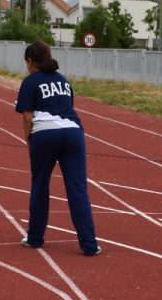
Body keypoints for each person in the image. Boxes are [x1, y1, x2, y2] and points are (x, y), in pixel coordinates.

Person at [13, 40, 100, 255]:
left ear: (31, 61)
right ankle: (89, 245)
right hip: (73, 133)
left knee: (40, 185)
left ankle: (34, 238)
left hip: (44, 134)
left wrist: (29, 141)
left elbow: (27, 116)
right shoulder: (64, 81)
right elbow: (68, 108)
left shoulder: (30, 82)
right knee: (78, 189)